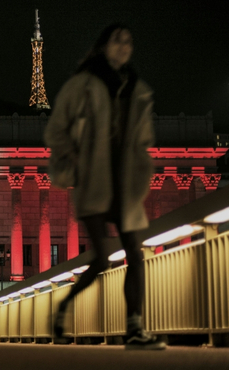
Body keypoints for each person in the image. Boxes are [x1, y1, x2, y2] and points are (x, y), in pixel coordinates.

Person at [44, 23, 165, 351]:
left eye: (129, 41)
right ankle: (63, 309)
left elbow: (144, 138)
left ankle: (135, 327)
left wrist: (143, 166)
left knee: (134, 255)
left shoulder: (136, 88)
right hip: (94, 181)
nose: (124, 47)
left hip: (124, 181)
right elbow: (56, 129)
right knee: (100, 259)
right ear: (103, 46)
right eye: (117, 41)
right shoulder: (81, 84)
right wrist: (74, 165)